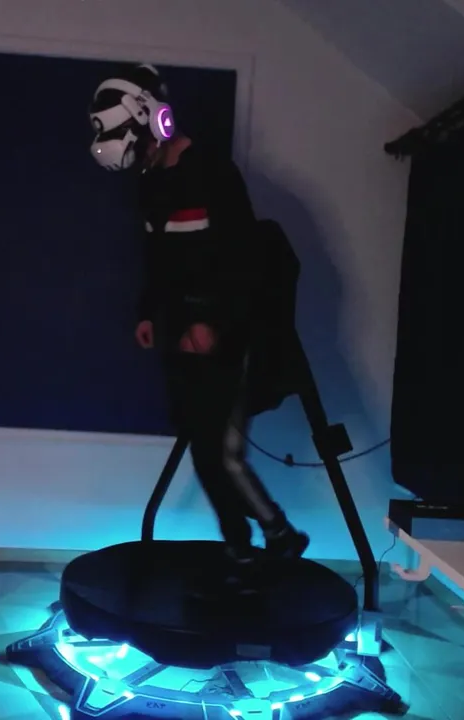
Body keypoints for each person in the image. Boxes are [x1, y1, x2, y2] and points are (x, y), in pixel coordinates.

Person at [88, 64, 309, 592]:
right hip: (176, 333)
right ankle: (247, 544)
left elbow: (242, 261)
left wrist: (213, 321)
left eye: (142, 146)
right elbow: (157, 258)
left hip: (225, 333)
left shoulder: (213, 172)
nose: (142, 157)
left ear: (155, 121)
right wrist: (148, 313)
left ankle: (275, 535)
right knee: (204, 451)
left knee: (221, 455)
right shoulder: (151, 183)